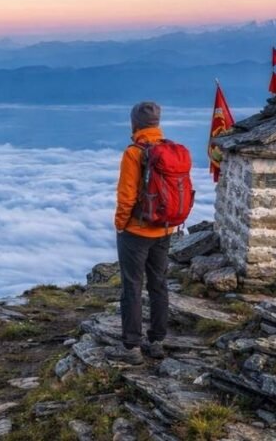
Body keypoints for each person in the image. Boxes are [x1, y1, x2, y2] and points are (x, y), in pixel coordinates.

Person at [106, 101, 172, 365]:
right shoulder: (169, 149)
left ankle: (131, 347)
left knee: (132, 287)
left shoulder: (135, 152)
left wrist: (121, 224)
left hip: (137, 230)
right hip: (166, 228)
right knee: (159, 285)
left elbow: (127, 195)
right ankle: (156, 342)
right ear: (157, 123)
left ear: (134, 123)